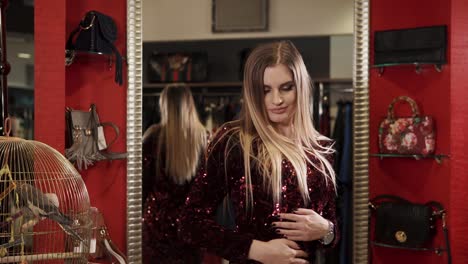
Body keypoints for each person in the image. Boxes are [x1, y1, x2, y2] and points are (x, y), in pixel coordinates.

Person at [179, 40, 338, 264]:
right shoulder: (234, 141)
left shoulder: (320, 148)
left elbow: (331, 235)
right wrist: (255, 250)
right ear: (253, 93)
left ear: (300, 87)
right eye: (265, 91)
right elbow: (190, 223)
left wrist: (326, 230)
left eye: (286, 87)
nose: (277, 100)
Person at [142, 84, 208, 264]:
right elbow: (208, 191)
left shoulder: (153, 137)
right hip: (191, 228)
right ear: (190, 105)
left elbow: (141, 187)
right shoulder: (203, 138)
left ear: (165, 105)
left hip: (157, 227)